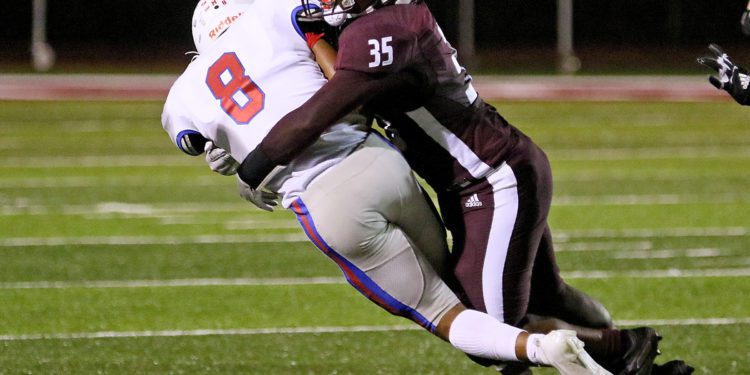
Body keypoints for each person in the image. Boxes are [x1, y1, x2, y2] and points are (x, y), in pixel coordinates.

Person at [235, 1, 696, 374]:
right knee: (547, 296)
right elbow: (344, 83)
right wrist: (315, 39)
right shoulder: (380, 23)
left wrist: (253, 164)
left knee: (490, 333)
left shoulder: (386, 28)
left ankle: (625, 348)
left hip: (492, 180)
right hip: (484, 176)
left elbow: (322, 109)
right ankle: (628, 355)